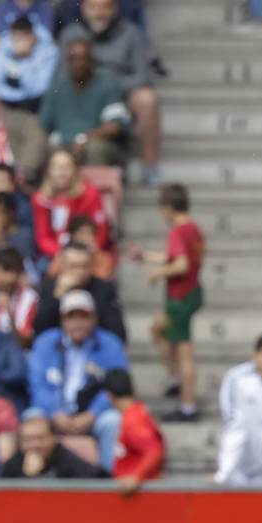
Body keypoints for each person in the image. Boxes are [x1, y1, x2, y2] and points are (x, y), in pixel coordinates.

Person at [60, 0, 161, 184]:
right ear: (84, 8)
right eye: (93, 6)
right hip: (83, 91)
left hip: (121, 93)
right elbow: (62, 76)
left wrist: (108, 85)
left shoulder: (131, 32)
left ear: (114, 8)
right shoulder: (71, 34)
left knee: (147, 99)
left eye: (104, 7)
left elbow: (143, 76)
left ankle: (149, 167)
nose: (99, 12)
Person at [28, 289, 129, 471]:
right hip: (54, 414)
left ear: (94, 318)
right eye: (71, 317)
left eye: (83, 317)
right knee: (31, 418)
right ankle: (31, 480)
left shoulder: (109, 344)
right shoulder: (45, 342)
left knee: (113, 420)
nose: (77, 323)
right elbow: (38, 385)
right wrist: (54, 413)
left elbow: (116, 386)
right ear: (62, 320)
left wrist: (92, 414)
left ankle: (108, 480)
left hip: (92, 416)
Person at [126, 183, 204, 421]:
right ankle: (175, 377)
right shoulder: (193, 229)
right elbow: (176, 256)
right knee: (158, 328)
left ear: (168, 208)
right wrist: (146, 256)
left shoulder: (176, 232)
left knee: (184, 352)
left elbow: (181, 264)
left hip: (180, 297)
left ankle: (187, 405)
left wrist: (157, 273)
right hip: (191, 292)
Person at [38, 40, 130, 168]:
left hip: (101, 145)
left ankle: (96, 188)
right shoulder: (57, 87)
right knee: (52, 150)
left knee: (95, 148)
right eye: (73, 59)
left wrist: (85, 139)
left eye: (82, 59)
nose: (78, 64)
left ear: (92, 61)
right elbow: (43, 125)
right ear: (67, 62)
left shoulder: (107, 85)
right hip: (66, 144)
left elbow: (115, 126)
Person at [31, 149, 113, 266]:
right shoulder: (40, 198)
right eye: (57, 167)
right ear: (49, 170)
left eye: (66, 166)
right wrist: (61, 254)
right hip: (56, 254)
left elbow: (101, 231)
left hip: (86, 251)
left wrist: (83, 252)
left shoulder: (90, 194)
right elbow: (43, 236)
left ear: (74, 170)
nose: (62, 171)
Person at [33, 241, 127, 342]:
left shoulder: (103, 289)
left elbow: (117, 333)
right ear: (62, 264)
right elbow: (39, 331)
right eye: (73, 266)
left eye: (84, 266)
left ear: (91, 266)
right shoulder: (48, 288)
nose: (79, 272)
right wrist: (56, 297)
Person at [215, 335, 262, 485]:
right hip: (240, 469)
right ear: (255, 357)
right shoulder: (238, 379)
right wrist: (224, 473)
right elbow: (234, 424)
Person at [102, 368, 164, 495]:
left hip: (138, 498)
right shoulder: (138, 412)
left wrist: (136, 477)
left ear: (108, 395)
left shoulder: (133, 420)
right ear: (133, 389)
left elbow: (154, 450)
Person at [0, 17, 57, 113]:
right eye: (16, 39)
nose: (19, 44)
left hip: (38, 107)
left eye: (23, 39)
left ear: (33, 36)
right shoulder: (5, 47)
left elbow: (37, 90)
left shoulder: (49, 52)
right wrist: (16, 96)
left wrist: (25, 59)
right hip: (8, 104)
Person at [3, 413, 109, 478]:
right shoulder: (13, 464)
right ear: (20, 443)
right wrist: (28, 476)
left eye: (40, 438)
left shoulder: (68, 461)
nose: (35, 445)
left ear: (54, 438)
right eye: (28, 439)